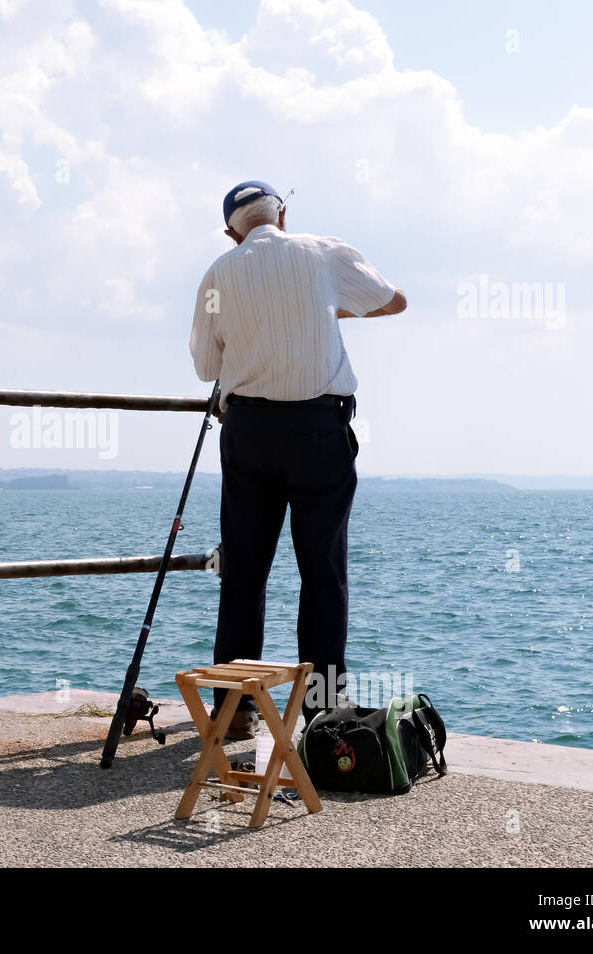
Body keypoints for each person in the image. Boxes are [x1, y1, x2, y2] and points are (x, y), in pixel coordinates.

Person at [189, 180, 407, 739]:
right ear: (282, 215)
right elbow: (393, 300)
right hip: (318, 429)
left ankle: (234, 710)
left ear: (230, 230)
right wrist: (326, 310)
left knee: (243, 571)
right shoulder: (323, 251)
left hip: (250, 432)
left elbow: (205, 365)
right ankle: (323, 712)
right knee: (323, 571)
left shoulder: (219, 271)